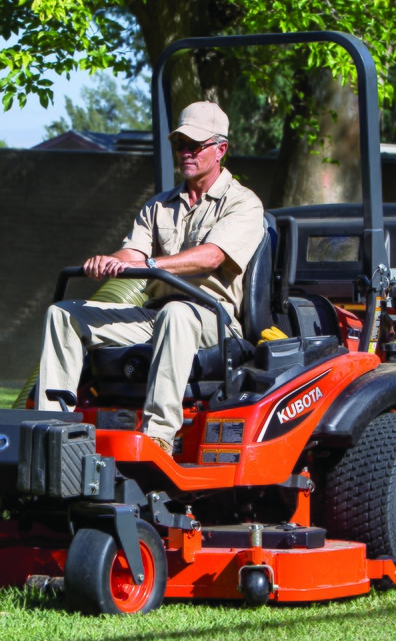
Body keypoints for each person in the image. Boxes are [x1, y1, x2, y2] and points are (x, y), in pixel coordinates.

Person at [36, 101, 265, 453]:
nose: (186, 152)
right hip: (155, 314)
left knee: (177, 314)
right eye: (180, 144)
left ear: (221, 149)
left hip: (212, 317)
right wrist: (110, 261)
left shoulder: (242, 203)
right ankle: (49, 432)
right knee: (64, 315)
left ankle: (159, 437)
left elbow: (213, 255)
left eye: (195, 145)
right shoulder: (159, 204)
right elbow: (134, 253)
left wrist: (156, 264)